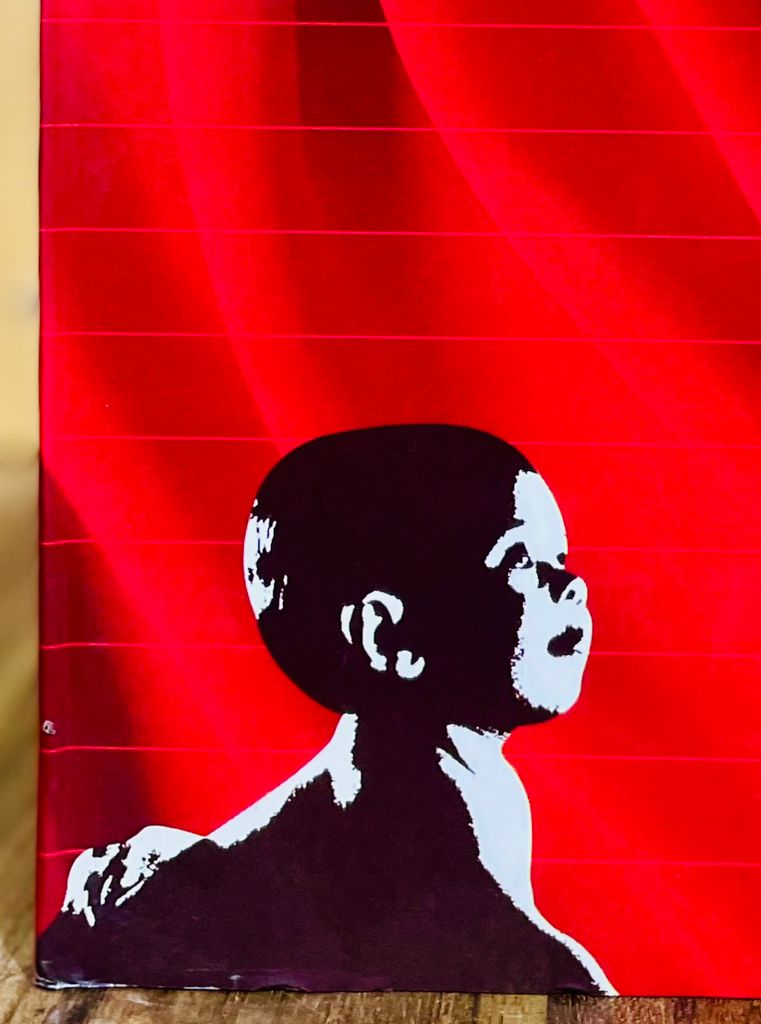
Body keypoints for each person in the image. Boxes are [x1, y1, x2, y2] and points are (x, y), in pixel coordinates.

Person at [37, 425, 612, 994]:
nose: (571, 584)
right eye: (518, 559)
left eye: (558, 557)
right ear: (385, 638)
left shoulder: (156, 889)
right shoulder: (533, 970)